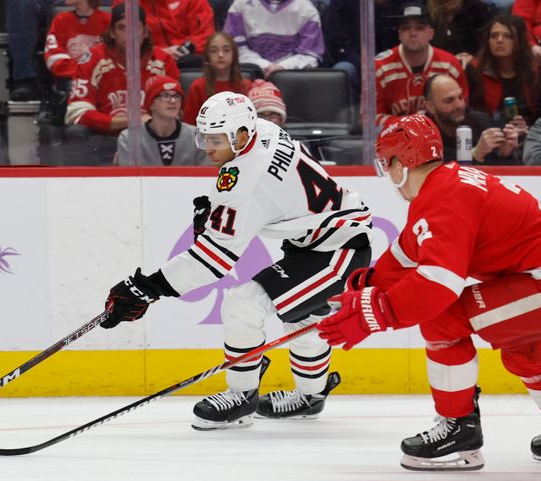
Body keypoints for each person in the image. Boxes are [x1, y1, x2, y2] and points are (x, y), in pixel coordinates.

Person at [317, 114, 541, 471]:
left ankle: (458, 430)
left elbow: (437, 286)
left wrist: (375, 313)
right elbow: (408, 252)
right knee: (526, 355)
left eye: (387, 163)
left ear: (402, 162)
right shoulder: (446, 184)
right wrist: (369, 286)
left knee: (444, 317)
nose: (388, 176)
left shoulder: (444, 199)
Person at [99, 91, 373, 430]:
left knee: (242, 305)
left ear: (242, 135)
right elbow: (253, 189)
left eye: (216, 140)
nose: (208, 148)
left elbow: (213, 260)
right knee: (300, 319)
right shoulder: (265, 130)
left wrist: (147, 288)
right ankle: (310, 397)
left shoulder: (246, 184)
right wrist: (217, 211)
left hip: (338, 251)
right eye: (203, 138)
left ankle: (243, 396)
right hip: (321, 237)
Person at [64, 3, 179, 135]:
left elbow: (175, 111)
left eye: (135, 28)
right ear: (112, 33)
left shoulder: (163, 61)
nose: (129, 34)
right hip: (105, 139)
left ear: (145, 32)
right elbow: (77, 113)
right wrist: (132, 121)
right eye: (122, 28)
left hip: (152, 139)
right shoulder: (92, 59)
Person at [374, 2, 468, 128]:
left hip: (442, 140)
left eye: (419, 28)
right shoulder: (380, 67)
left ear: (431, 33)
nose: (412, 33)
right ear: (399, 34)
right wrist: (410, 125)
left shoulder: (450, 66)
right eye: (406, 28)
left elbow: (461, 111)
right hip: (395, 141)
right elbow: (370, 119)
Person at [466, 13, 541, 136]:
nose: (499, 40)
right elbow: (472, 114)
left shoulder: (538, 72)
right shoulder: (475, 70)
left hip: (529, 137)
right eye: (494, 36)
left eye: (507, 36)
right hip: (487, 136)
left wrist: (528, 129)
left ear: (520, 41)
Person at [114, 75, 210, 165]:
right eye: (165, 96)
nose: (173, 101)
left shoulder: (197, 136)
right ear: (151, 104)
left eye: (176, 96)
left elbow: (206, 175)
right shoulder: (129, 138)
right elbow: (128, 178)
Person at [424, 74, 520, 164]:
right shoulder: (421, 135)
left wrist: (504, 153)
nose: (459, 105)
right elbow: (434, 172)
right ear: (430, 107)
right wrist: (475, 154)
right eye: (449, 101)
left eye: (460, 97)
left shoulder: (481, 122)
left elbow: (506, 175)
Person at [224, 0, 324, 79]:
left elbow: (310, 54)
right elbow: (235, 49)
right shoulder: (240, 5)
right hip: (251, 73)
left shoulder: (307, 9)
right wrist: (264, 66)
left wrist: (282, 67)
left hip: (291, 77)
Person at [112, 0, 215, 68]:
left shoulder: (193, 1)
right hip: (145, 60)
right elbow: (122, 41)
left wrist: (182, 50)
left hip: (186, 59)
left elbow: (205, 35)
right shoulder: (124, 3)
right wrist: (161, 52)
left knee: (192, 62)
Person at [183, 32, 252, 125]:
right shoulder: (198, 87)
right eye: (214, 51)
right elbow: (190, 125)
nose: (220, 55)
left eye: (226, 50)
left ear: (234, 55)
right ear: (208, 56)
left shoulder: (245, 85)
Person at [44, 0, 112, 82]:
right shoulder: (61, 20)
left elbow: (117, 57)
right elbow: (53, 57)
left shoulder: (108, 20)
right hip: (70, 79)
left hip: (105, 79)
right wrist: (82, 71)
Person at [427, 0, 495, 68]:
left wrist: (475, 58)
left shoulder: (477, 9)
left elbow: (489, 42)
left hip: (472, 66)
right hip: (441, 67)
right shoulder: (430, 15)